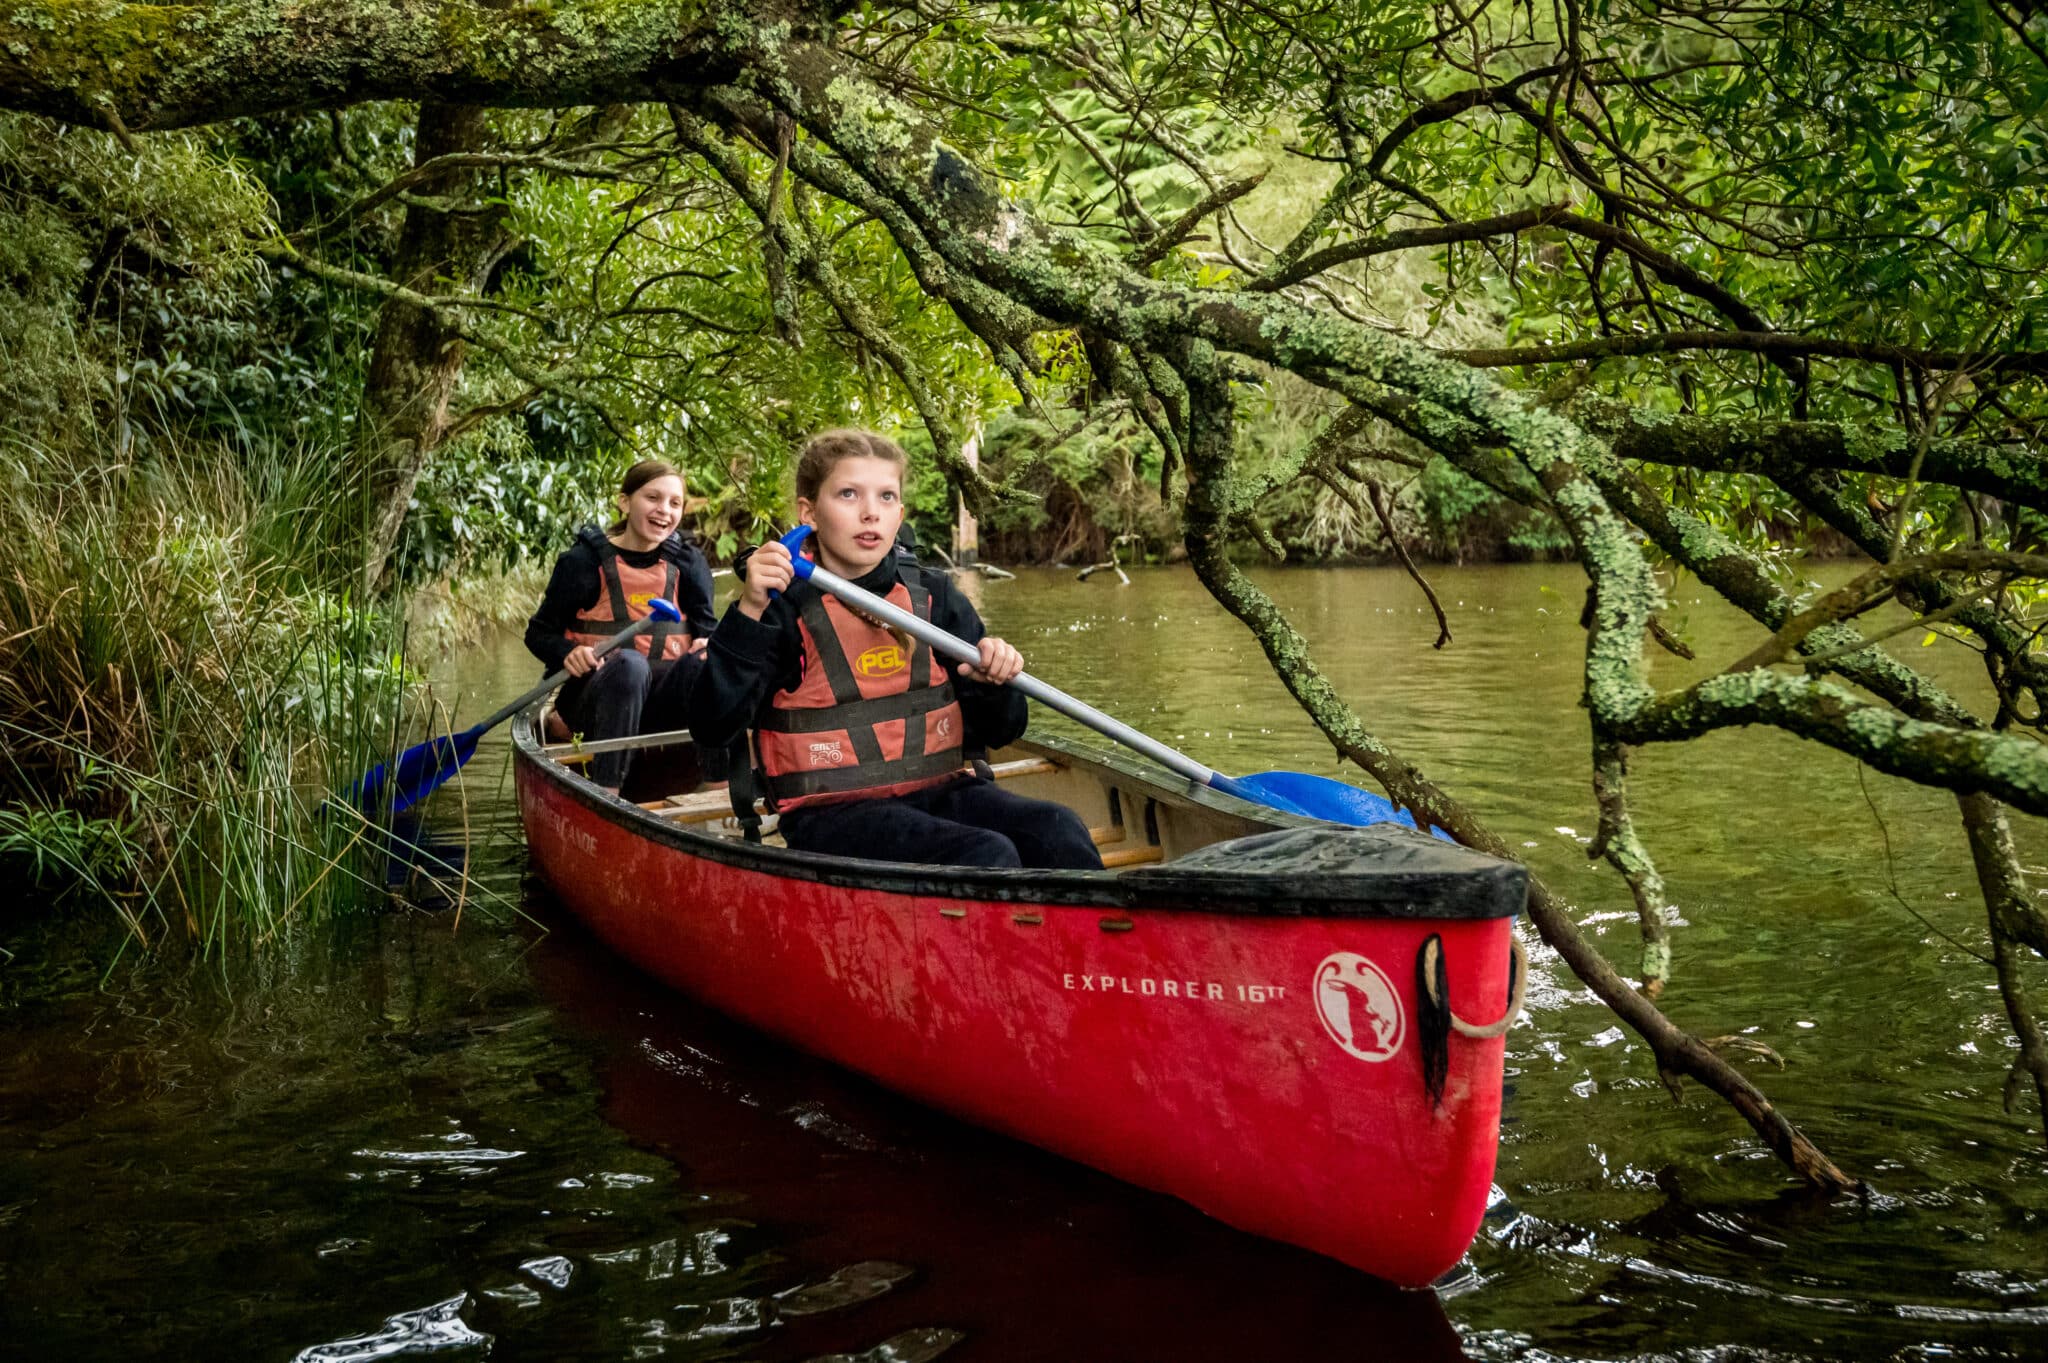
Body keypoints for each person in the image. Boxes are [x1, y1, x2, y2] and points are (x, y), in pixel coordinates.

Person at [689, 428, 1103, 871]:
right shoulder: (778, 605)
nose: (871, 513)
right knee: (987, 853)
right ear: (808, 512)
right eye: (849, 494)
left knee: (1058, 828)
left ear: (900, 512)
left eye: (886, 497)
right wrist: (750, 610)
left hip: (940, 790)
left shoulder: (932, 595)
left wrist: (994, 682)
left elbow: (1003, 730)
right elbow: (712, 727)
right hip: (831, 813)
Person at [525, 459, 717, 793]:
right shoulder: (581, 563)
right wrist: (570, 652)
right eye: (653, 498)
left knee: (709, 665)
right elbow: (539, 634)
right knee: (630, 664)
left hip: (662, 711)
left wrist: (707, 645)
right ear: (625, 502)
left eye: (675, 503)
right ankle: (608, 794)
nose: (664, 511)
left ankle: (721, 791)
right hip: (594, 704)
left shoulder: (689, 563)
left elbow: (707, 630)